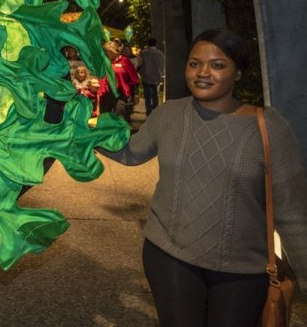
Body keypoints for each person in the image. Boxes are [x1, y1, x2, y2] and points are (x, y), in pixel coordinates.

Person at [98, 28, 307, 326]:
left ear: (238, 74)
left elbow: (292, 213)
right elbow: (130, 153)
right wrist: (74, 134)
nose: (202, 73)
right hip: (168, 256)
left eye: (218, 65)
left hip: (242, 269)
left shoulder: (269, 128)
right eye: (195, 63)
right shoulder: (169, 115)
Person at [101, 40, 139, 121]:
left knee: (120, 117)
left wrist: (136, 94)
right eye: (106, 51)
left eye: (109, 51)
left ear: (114, 51)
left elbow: (134, 79)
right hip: (106, 94)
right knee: (106, 118)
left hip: (121, 94)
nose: (107, 53)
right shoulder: (104, 61)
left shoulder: (125, 61)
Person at [138, 38, 165, 115]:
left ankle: (148, 111)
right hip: (156, 77)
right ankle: (155, 111)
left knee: (147, 95)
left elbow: (140, 65)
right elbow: (162, 66)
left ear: (148, 44)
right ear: (156, 44)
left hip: (146, 77)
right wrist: (162, 74)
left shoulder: (143, 53)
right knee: (155, 94)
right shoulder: (160, 53)